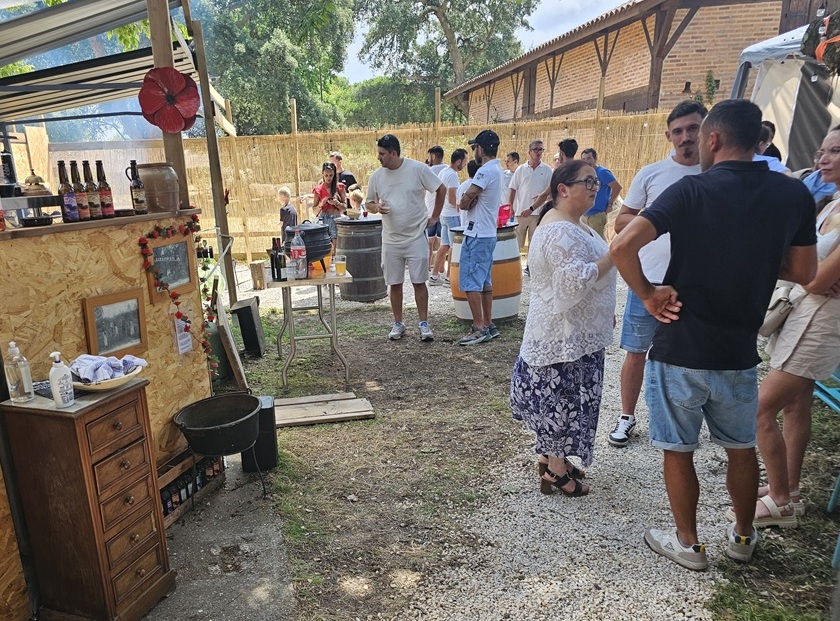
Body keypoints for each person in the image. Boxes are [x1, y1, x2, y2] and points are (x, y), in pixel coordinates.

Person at [610, 98, 817, 570]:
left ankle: (688, 544)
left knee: (678, 450)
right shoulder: (794, 195)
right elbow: (805, 270)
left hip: (680, 344)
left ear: (714, 138)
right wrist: (756, 259)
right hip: (739, 352)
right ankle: (743, 539)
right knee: (741, 450)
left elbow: (622, 244)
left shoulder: (691, 192)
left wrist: (647, 294)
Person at [736, 125, 840, 529]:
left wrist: (805, 273)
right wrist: (808, 273)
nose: (823, 158)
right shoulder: (829, 204)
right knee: (797, 404)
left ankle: (780, 500)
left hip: (821, 321)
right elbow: (810, 271)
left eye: (835, 151)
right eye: (822, 150)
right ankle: (790, 489)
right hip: (805, 311)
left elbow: (812, 277)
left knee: (758, 409)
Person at [510, 160, 616, 496]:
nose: (594, 187)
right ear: (563, 189)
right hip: (561, 337)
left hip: (574, 333)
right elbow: (573, 283)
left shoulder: (575, 224)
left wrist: (603, 309)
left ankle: (551, 459)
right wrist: (615, 254)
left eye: (596, 181)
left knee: (565, 398)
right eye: (587, 181)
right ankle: (555, 471)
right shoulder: (559, 231)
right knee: (561, 400)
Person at [607, 100, 707, 448]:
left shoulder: (716, 174)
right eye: (678, 131)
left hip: (697, 283)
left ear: (706, 130)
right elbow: (621, 223)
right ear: (668, 135)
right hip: (646, 281)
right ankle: (626, 416)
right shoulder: (651, 173)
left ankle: (684, 417)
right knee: (636, 352)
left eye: (693, 128)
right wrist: (658, 218)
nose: (686, 137)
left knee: (693, 353)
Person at [365, 134, 445, 342]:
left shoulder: (417, 169)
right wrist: (376, 207)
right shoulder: (377, 176)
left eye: (382, 154)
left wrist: (435, 216)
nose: (378, 158)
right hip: (391, 239)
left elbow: (440, 188)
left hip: (416, 236)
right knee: (395, 283)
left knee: (419, 281)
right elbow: (369, 203)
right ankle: (398, 323)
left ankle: (424, 324)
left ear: (393, 153)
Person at [457, 129, 504, 345]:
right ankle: (488, 323)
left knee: (470, 281)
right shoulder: (497, 169)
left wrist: (466, 201)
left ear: (481, 149)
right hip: (487, 232)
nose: (474, 151)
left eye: (475, 147)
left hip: (477, 233)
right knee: (484, 281)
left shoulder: (484, 171)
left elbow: (464, 202)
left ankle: (478, 327)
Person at [429, 148, 468, 285]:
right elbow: (452, 198)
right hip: (452, 215)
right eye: (464, 161)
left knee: (444, 245)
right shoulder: (452, 175)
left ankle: (434, 275)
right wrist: (461, 205)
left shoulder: (443, 172)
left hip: (443, 214)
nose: (465, 164)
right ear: (458, 161)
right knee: (454, 246)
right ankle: (449, 277)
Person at [509, 140, 553, 256]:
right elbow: (513, 188)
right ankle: (515, 264)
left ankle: (530, 266)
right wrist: (510, 206)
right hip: (521, 212)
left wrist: (544, 198)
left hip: (538, 213)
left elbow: (551, 192)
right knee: (517, 242)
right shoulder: (521, 169)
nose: (538, 152)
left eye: (540, 150)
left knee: (534, 243)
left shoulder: (547, 170)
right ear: (529, 152)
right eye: (535, 149)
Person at [580, 148, 622, 240]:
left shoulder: (602, 172)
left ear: (595, 159)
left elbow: (617, 187)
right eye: (584, 159)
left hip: (597, 215)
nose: (586, 161)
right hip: (584, 214)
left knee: (598, 241)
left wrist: (610, 204)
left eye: (589, 158)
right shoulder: (583, 173)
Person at [313, 161, 346, 251]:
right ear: (322, 174)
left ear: (334, 175)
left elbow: (345, 207)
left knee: (337, 246)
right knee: (325, 246)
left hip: (337, 218)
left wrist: (336, 203)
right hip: (324, 218)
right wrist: (321, 204)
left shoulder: (340, 187)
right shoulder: (318, 189)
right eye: (326, 175)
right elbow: (314, 211)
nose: (328, 178)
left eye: (331, 175)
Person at [425, 146, 448, 270]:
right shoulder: (448, 170)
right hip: (444, 210)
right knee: (442, 242)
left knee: (429, 242)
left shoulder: (428, 171)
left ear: (433, 156)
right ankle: (441, 268)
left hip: (429, 210)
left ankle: (428, 266)